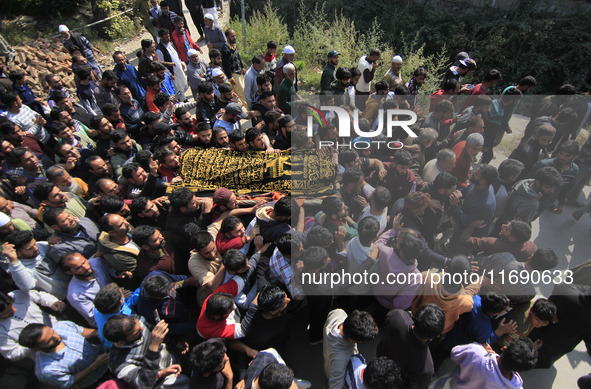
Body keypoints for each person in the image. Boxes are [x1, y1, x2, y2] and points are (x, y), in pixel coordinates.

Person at [103, 315, 189, 388]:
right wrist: (161, 373)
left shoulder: (138, 319)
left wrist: (174, 342)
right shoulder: (118, 364)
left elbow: (153, 331)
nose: (142, 329)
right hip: (165, 378)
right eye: (137, 332)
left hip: (173, 356)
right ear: (121, 342)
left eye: (139, 325)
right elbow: (144, 384)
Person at [18, 321, 109, 388]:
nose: (57, 337)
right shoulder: (46, 370)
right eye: (49, 341)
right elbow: (69, 382)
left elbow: (85, 332)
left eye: (52, 332)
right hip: (97, 382)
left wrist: (102, 333)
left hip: (109, 358)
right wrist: (95, 365)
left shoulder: (62, 326)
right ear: (36, 349)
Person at [376, 305, 445, 389]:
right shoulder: (426, 367)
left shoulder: (398, 316)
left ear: (415, 316)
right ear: (438, 335)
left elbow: (389, 316)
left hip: (381, 356)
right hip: (393, 383)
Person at [429, 337, 537, 389]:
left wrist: (481, 348)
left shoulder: (477, 352)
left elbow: (455, 353)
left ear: (504, 348)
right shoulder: (516, 387)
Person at [0, 289, 63, 362]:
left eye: (12, 306)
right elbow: (11, 353)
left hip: (61, 329)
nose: (14, 310)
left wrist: (52, 302)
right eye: (7, 312)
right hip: (50, 355)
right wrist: (32, 345)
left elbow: (40, 296)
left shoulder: (18, 295)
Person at [323, 309, 379, 389]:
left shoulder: (338, 313)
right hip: (333, 369)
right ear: (352, 340)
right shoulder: (341, 358)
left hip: (328, 357)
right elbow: (335, 385)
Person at [62, 252, 112, 327]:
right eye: (79, 268)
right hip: (106, 320)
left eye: (84, 262)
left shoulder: (97, 263)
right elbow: (95, 315)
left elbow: (112, 271)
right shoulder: (75, 294)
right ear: (69, 272)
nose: (86, 267)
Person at [156, 29, 188, 101]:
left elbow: (176, 55)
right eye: (166, 37)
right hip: (172, 72)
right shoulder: (159, 50)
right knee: (178, 87)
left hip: (178, 68)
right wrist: (169, 74)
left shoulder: (170, 44)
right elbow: (162, 64)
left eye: (168, 36)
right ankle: (184, 100)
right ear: (161, 37)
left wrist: (181, 62)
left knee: (183, 84)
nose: (168, 38)